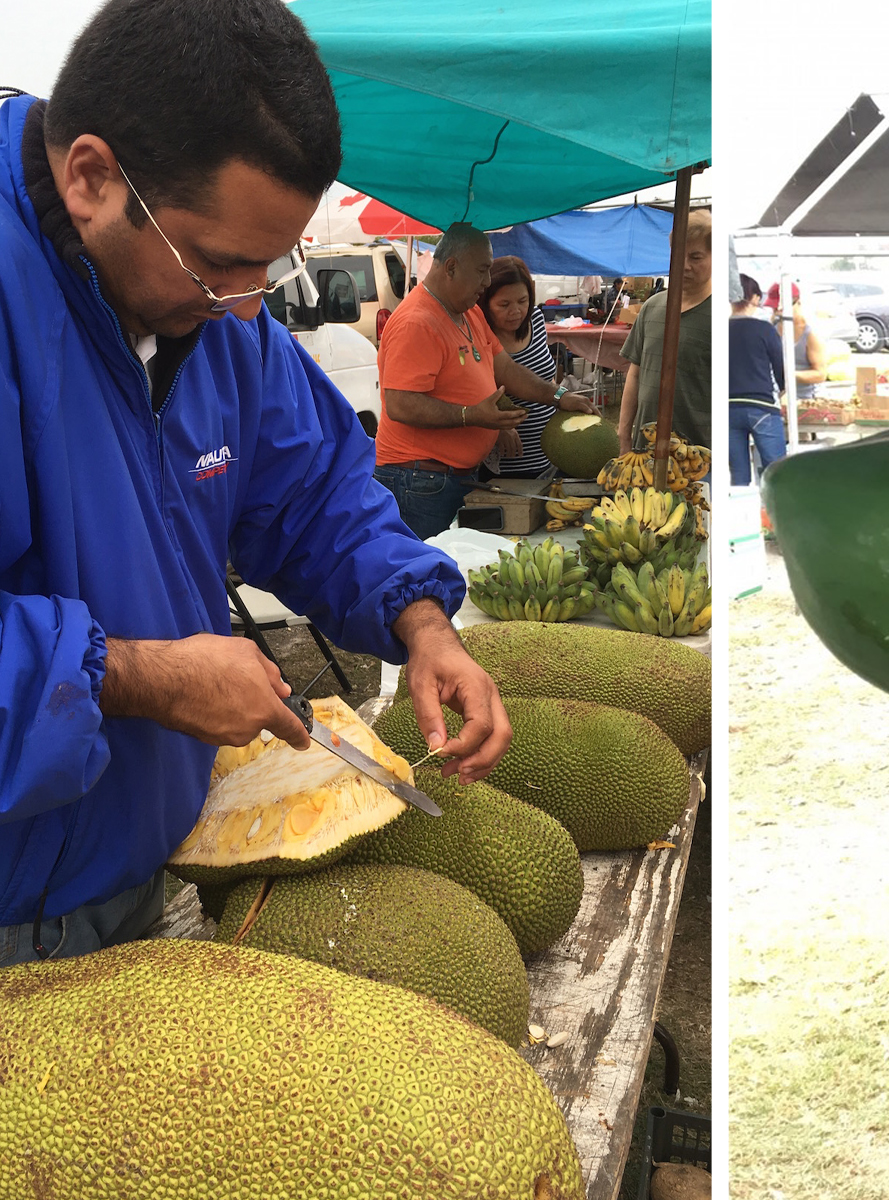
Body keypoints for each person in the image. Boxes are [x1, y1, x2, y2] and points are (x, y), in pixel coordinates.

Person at [0, 0, 516, 967]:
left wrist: (421, 621)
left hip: (135, 874)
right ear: (92, 179)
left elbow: (318, 494)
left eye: (264, 270)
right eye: (218, 263)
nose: (245, 305)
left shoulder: (228, 329)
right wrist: (139, 676)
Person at [374, 223, 582, 538]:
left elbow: (506, 370)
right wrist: (472, 416)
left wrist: (559, 396)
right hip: (418, 482)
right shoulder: (417, 322)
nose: (487, 282)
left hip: (454, 478)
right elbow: (400, 404)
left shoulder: (468, 312)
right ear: (451, 268)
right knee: (425, 577)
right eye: (482, 271)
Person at [618, 211, 712, 453]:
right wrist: (624, 435)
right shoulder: (652, 307)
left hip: (699, 457)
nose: (685, 265)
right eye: (678, 255)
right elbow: (635, 374)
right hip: (644, 450)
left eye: (696, 257)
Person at [478, 254, 565, 478]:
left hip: (550, 453)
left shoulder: (535, 319)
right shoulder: (477, 334)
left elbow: (546, 378)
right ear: (486, 302)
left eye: (522, 301)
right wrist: (497, 426)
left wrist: (561, 397)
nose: (516, 311)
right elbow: (471, 390)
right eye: (504, 304)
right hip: (507, 464)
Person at [727, 275, 787, 486]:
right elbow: (781, 368)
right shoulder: (764, 329)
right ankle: (773, 516)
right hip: (761, 407)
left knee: (739, 475)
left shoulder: (721, 329)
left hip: (727, 409)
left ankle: (742, 515)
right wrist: (782, 390)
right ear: (754, 297)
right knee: (776, 471)